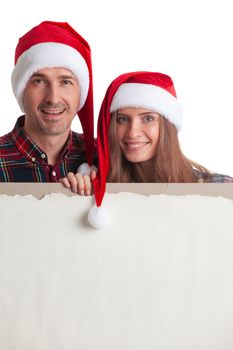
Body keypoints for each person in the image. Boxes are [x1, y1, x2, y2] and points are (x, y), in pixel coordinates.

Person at [61, 71, 233, 226]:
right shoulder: (103, 195)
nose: (133, 132)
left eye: (148, 118)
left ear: (168, 126)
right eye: (122, 119)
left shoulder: (220, 189)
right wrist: (75, 194)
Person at [0, 21, 95, 184]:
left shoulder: (104, 158)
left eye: (65, 82)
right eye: (39, 81)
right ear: (21, 90)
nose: (53, 98)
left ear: (81, 92)